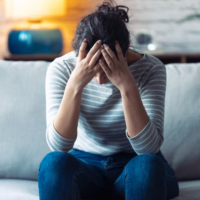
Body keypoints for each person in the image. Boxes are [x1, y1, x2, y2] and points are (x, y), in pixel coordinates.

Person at [38, 0, 179, 199]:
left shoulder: (151, 69)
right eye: (92, 66)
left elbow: (148, 148)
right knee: (53, 163)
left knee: (147, 165)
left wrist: (127, 86)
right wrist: (75, 85)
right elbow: (59, 146)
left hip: (135, 163)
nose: (100, 79)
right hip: (85, 166)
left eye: (107, 67)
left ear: (125, 51)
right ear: (78, 53)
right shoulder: (61, 68)